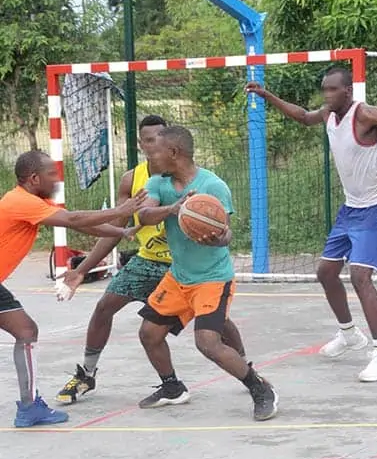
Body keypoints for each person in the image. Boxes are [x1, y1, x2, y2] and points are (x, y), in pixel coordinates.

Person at [55, 116, 249, 404]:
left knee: (217, 323)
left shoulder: (203, 181)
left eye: (160, 138)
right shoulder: (135, 179)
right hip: (149, 261)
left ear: (173, 146)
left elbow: (223, 228)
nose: (154, 144)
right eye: (148, 140)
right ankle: (88, 374)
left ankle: (245, 366)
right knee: (105, 306)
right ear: (141, 144)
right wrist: (82, 269)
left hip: (184, 264)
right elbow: (118, 229)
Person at [246, 67, 377, 382]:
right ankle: (349, 334)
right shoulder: (329, 114)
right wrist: (267, 95)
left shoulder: (365, 113)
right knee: (325, 272)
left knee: (360, 276)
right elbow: (303, 116)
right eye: (324, 89)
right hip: (351, 207)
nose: (327, 95)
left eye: (332, 89)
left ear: (348, 91)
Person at [136, 125, 278, 421]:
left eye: (156, 149)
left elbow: (226, 233)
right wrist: (173, 209)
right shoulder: (158, 183)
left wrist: (218, 236)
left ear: (174, 153)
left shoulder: (213, 186)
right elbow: (145, 214)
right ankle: (172, 387)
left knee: (208, 342)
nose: (149, 153)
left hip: (213, 279)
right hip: (179, 277)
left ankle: (260, 388)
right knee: (149, 334)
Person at [0, 150, 146, 427]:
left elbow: (82, 225)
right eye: (51, 173)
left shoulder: (33, 202)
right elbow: (74, 220)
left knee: (26, 331)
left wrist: (122, 231)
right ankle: (29, 407)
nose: (57, 179)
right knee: (26, 331)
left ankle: (29, 407)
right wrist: (120, 212)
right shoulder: (20, 202)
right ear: (33, 178)